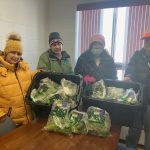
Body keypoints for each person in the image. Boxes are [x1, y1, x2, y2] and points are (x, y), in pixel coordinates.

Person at [0, 32, 33, 127]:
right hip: (9, 124)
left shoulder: (24, 68)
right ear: (6, 53)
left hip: (28, 120)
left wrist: (40, 73)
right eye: (13, 52)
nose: (16, 56)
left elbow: (29, 77)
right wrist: (2, 116)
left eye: (19, 53)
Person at [124, 29, 150, 150]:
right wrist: (128, 76)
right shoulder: (137, 55)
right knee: (134, 130)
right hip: (138, 98)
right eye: (146, 40)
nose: (147, 42)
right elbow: (130, 68)